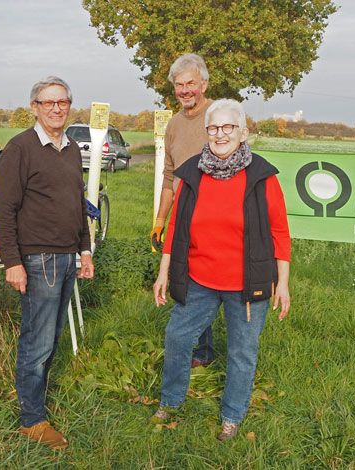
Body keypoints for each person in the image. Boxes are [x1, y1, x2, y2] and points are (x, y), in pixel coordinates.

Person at [150, 99, 291, 442]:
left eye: (229, 127)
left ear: (243, 133)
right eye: (213, 128)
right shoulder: (191, 173)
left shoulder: (261, 176)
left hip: (247, 283)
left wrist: (283, 283)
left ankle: (232, 415)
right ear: (206, 133)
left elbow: (280, 232)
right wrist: (164, 271)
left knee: (242, 351)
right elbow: (177, 228)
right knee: (178, 337)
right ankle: (170, 400)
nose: (220, 134)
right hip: (199, 279)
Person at [0, 76, 95, 450]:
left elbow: (77, 204)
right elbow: (4, 210)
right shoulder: (21, 148)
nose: (56, 108)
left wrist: (84, 251)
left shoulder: (70, 148)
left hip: (68, 257)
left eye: (62, 102)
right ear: (34, 107)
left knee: (50, 338)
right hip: (39, 258)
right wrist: (12, 262)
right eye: (48, 102)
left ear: (69, 106)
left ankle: (36, 403)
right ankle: (32, 420)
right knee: (37, 342)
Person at [150, 53, 216, 368]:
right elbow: (168, 177)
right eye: (179, 85)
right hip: (183, 217)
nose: (185, 90)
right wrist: (160, 220)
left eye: (191, 83)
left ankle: (201, 354)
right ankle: (197, 350)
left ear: (204, 84)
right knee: (185, 281)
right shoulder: (174, 125)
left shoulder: (218, 117)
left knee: (206, 284)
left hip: (214, 217)